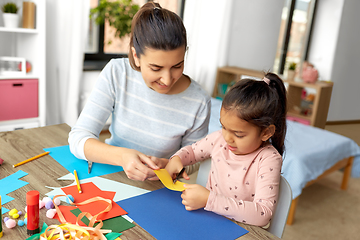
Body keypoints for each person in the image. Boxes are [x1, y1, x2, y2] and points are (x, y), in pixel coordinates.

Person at [68, 2, 211, 181]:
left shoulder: (199, 100)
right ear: (136, 56)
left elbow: (195, 159)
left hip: (157, 187)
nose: (167, 80)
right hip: (112, 174)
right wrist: (122, 157)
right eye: (156, 68)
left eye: (177, 66)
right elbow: (78, 138)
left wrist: (169, 165)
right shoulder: (117, 73)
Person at [166, 72, 287, 227]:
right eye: (223, 127)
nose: (228, 138)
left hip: (240, 229)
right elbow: (193, 152)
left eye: (238, 134)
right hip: (207, 219)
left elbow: (262, 214)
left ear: (266, 133)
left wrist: (209, 199)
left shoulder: (268, 159)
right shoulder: (219, 139)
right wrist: (177, 158)